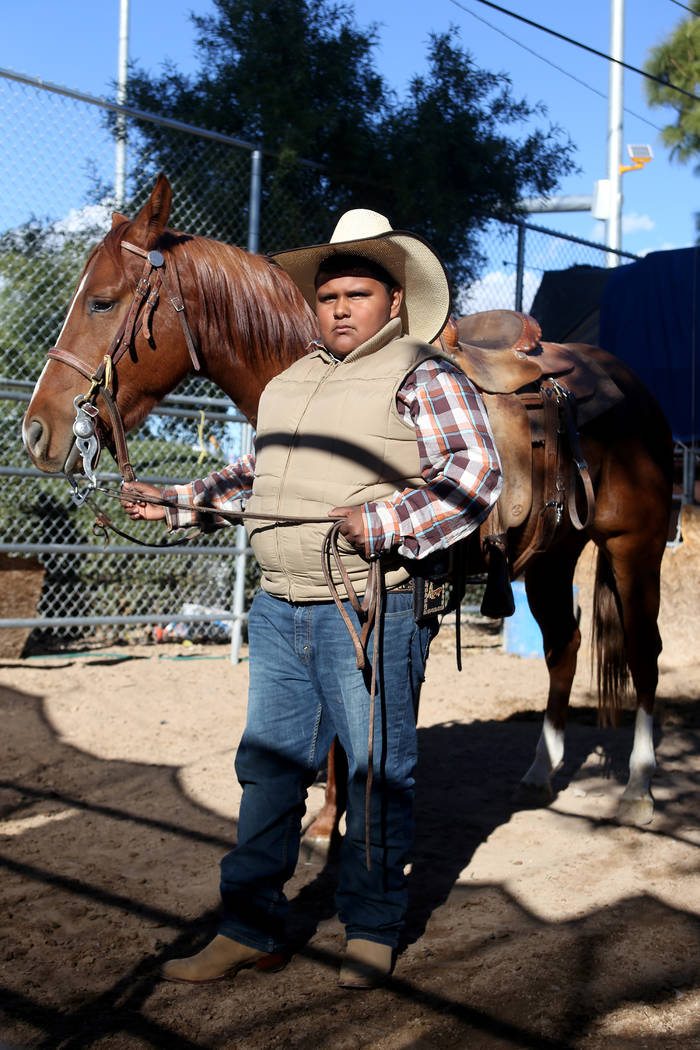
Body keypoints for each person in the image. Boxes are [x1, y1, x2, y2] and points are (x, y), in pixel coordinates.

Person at [121, 209, 502, 988]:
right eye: (328, 296)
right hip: (280, 604)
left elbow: (474, 474)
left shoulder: (424, 375)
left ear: (394, 303)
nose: (338, 307)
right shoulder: (292, 381)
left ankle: (371, 928)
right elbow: (259, 477)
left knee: (371, 771)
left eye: (357, 294)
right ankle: (247, 926)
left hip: (368, 609)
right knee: (267, 769)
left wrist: (388, 520)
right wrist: (181, 502)